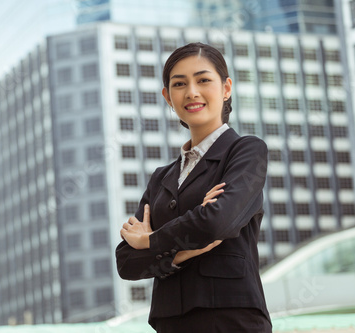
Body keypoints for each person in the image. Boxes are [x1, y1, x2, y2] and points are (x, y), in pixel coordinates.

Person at [115, 42, 272, 332]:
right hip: (170, 322)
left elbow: (217, 222)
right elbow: (126, 261)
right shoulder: (162, 177)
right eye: (179, 84)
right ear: (168, 97)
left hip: (230, 319)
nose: (192, 92)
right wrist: (181, 253)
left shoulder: (246, 152)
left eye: (203, 80)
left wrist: (151, 240)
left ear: (226, 88)